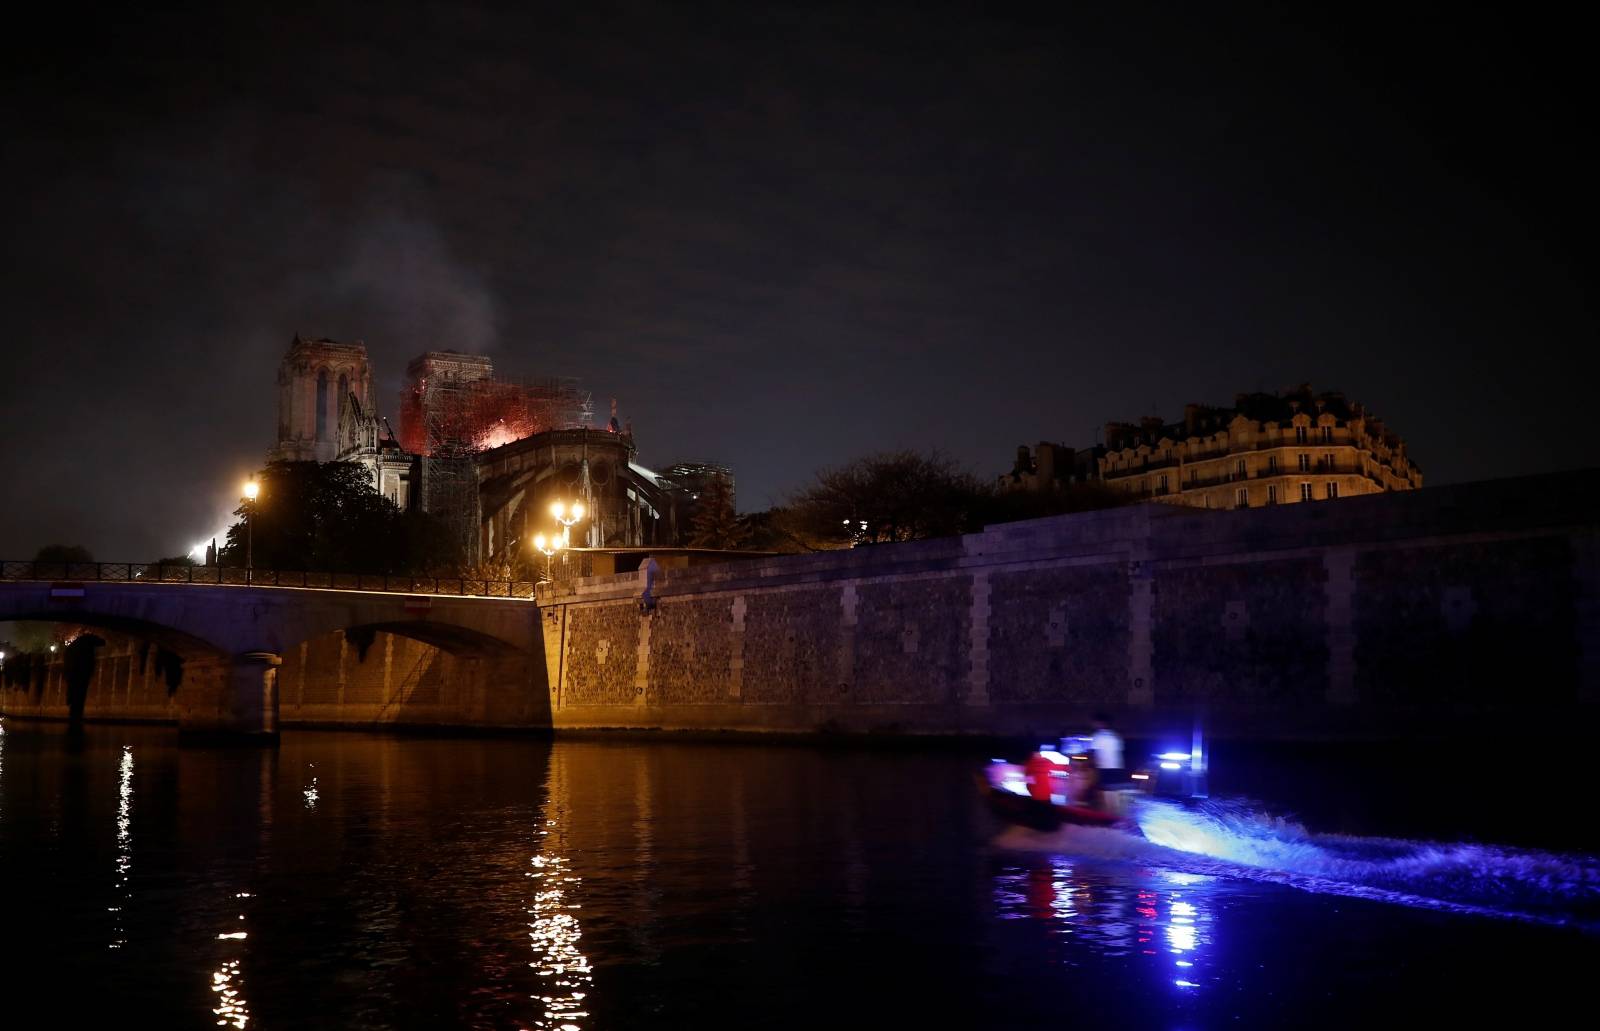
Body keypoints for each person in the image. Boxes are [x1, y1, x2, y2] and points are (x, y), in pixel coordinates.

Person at [1090, 713, 1126, 786]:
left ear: (1100, 723)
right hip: (1117, 770)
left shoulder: (1097, 736)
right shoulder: (1116, 736)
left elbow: (1094, 755)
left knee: (1102, 791)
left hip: (1103, 770)